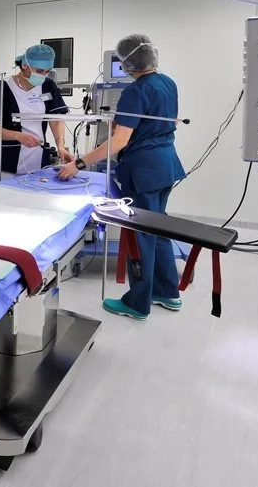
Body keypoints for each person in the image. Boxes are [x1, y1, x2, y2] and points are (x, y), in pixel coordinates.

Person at [57, 34, 186, 321]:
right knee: (159, 228)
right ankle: (167, 292)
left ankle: (138, 303)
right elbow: (156, 121)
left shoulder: (135, 92)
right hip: (166, 164)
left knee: (140, 235)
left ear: (127, 62)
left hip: (144, 170)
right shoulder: (168, 83)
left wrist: (78, 163)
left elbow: (118, 142)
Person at [0, 44, 73, 183]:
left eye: (47, 71)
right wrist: (17, 136)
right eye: (39, 70)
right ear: (25, 65)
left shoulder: (48, 86)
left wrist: (60, 145)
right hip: (6, 166)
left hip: (38, 165)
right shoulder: (2, 88)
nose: (43, 75)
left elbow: (56, 120)